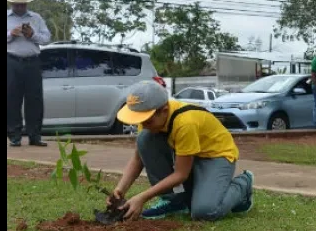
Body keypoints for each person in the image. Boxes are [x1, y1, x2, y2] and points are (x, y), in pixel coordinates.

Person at [107, 80, 254, 221]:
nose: (143, 125)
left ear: (164, 110)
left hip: (215, 156)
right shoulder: (149, 119)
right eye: (140, 120)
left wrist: (143, 197)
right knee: (144, 138)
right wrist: (120, 190)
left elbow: (181, 174)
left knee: (204, 211)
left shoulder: (185, 123)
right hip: (188, 154)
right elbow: (138, 159)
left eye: (147, 121)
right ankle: (175, 202)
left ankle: (243, 183)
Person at [7, 0, 52, 147]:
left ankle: (35, 136)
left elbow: (46, 38)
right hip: (11, 61)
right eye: (17, 4)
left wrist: (32, 34)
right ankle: (14, 137)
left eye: (23, 4)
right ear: (11, 3)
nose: (20, 7)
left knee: (35, 100)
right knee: (12, 99)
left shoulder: (36, 18)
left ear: (26, 3)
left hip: (32, 62)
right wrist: (11, 35)